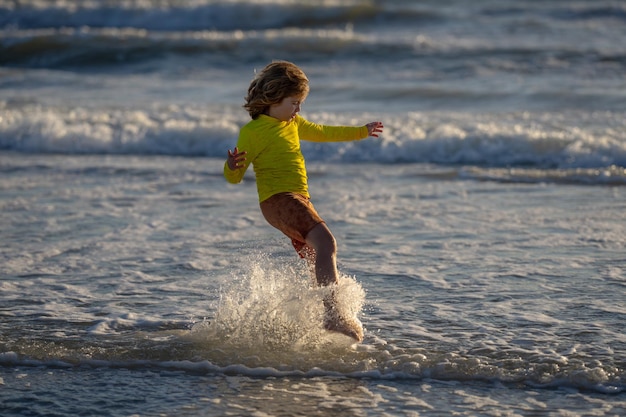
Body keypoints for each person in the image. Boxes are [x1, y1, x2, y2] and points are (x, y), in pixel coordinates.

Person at [224, 61, 383, 341]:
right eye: (294, 103)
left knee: (314, 256)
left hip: (299, 199)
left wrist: (361, 131)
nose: (299, 110)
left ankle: (312, 324)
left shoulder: (292, 124)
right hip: (278, 200)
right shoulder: (254, 132)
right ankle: (332, 316)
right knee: (326, 243)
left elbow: (322, 132)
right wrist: (233, 166)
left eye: (300, 104)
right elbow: (234, 178)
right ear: (273, 98)